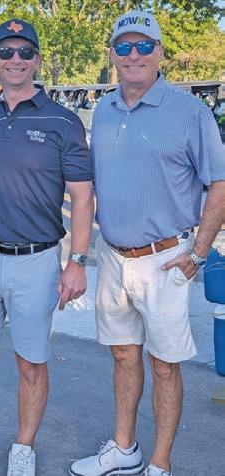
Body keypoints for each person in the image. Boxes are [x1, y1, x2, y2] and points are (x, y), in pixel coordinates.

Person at [70, 10, 225, 476]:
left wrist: (199, 253)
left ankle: (160, 463)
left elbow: (219, 182)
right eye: (123, 46)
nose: (133, 55)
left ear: (160, 52)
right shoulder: (104, 110)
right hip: (113, 257)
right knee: (123, 355)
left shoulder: (190, 112)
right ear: (112, 55)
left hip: (166, 260)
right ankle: (125, 449)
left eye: (143, 46)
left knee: (164, 365)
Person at [0, 19, 94, 476]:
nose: (16, 60)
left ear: (37, 60)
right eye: (6, 52)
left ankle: (23, 448)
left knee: (31, 363)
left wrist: (77, 261)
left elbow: (83, 198)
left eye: (25, 52)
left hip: (36, 261)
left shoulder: (63, 121)